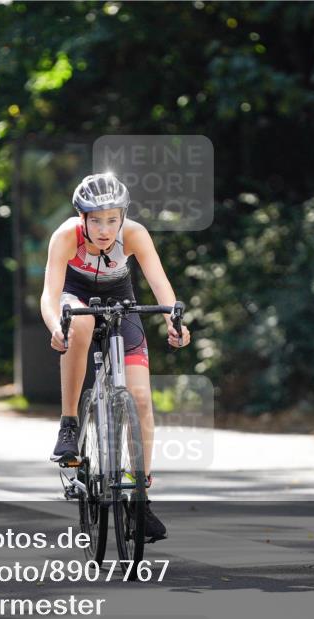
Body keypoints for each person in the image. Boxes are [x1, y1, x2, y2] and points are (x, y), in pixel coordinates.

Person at [40, 173, 191, 543]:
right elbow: (49, 294)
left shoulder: (135, 234)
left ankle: (140, 495)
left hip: (121, 298)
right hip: (75, 298)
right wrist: (55, 327)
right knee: (83, 322)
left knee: (140, 399)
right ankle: (70, 423)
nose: (105, 229)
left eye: (112, 219)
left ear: (123, 216)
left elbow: (160, 283)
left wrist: (176, 321)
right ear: (82, 218)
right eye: (95, 219)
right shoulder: (65, 237)